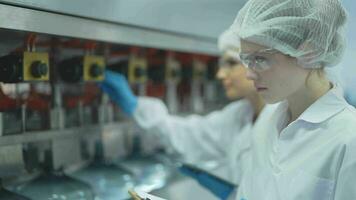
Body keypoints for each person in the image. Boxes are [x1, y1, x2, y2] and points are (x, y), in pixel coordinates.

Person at [100, 29, 265, 200]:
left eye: (231, 63)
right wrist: (135, 105)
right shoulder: (240, 115)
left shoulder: (286, 125)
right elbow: (190, 136)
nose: (220, 74)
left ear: (260, 64)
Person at [225, 0, 356, 199]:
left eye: (260, 59)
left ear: (309, 52)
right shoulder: (267, 122)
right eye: (246, 60)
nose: (249, 75)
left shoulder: (348, 138)